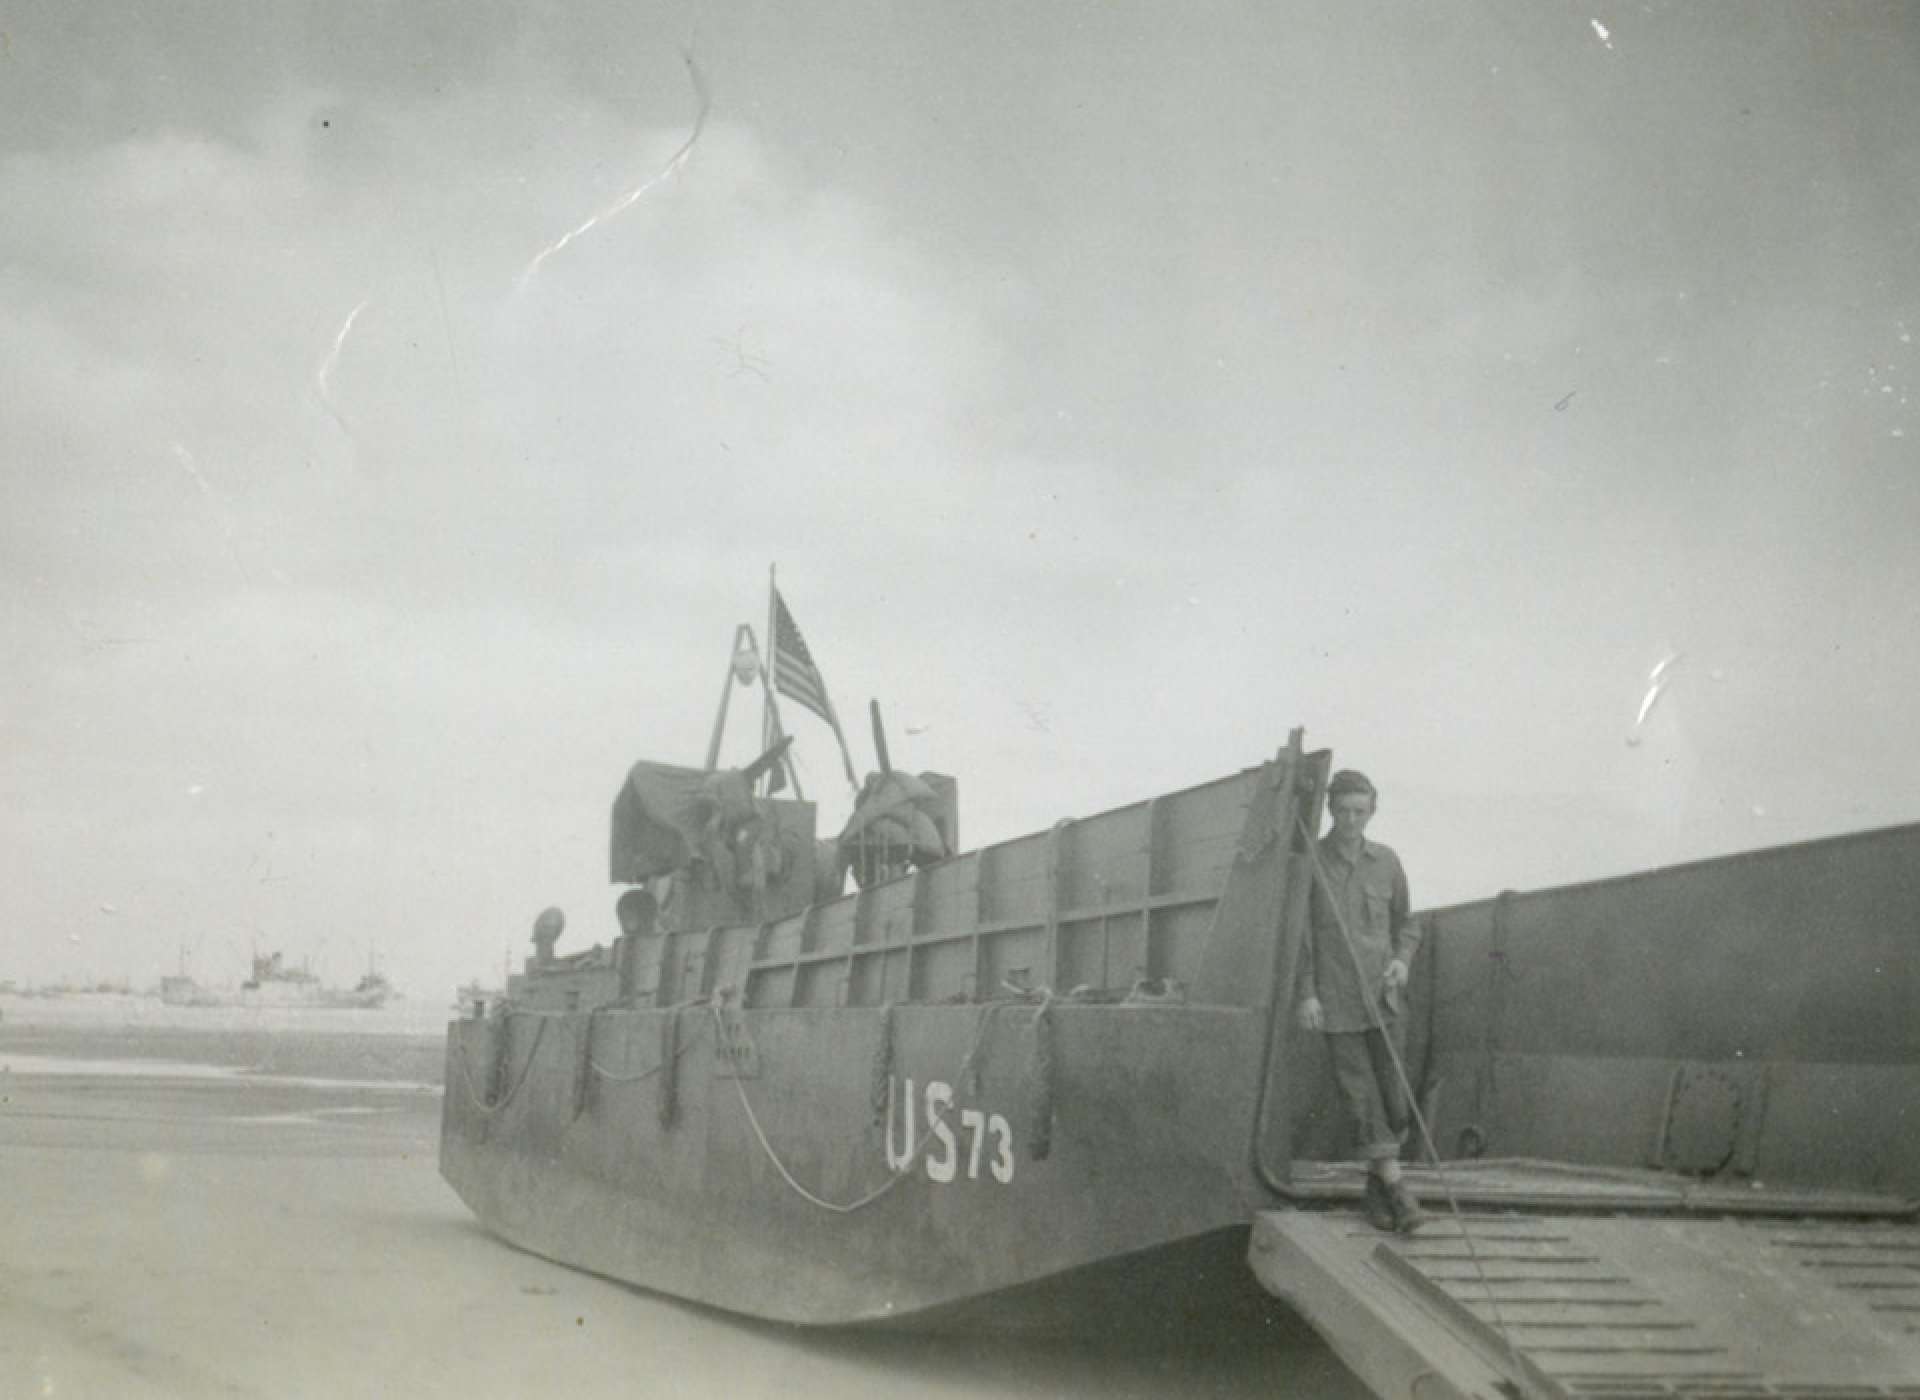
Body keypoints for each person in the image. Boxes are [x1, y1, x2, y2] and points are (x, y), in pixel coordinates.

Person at [1297, 769, 1426, 1233]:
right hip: (1335, 1003)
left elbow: (1408, 923)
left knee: (1394, 1101)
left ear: (1372, 810)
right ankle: (1397, 1189)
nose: (1352, 820)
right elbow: (1302, 937)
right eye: (1344, 810)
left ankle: (1375, 1191)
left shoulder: (1387, 862)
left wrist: (1402, 961)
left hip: (1384, 1000)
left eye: (1361, 810)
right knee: (1361, 1099)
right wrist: (1308, 992)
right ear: (1331, 809)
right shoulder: (1312, 862)